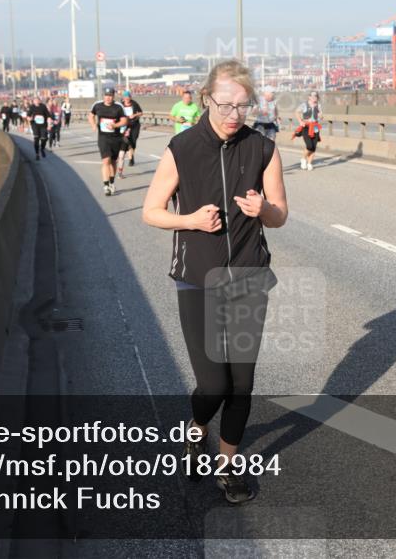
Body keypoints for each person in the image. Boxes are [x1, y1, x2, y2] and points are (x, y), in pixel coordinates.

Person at [142, 59, 288, 504]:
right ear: (206, 99)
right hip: (198, 280)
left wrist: (263, 210)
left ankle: (227, 465)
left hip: (248, 278)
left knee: (242, 384)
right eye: (225, 104)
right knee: (214, 386)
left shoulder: (263, 149)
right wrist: (189, 219)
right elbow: (151, 210)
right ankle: (196, 431)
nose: (233, 115)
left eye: (243, 106)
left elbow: (280, 215)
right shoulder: (181, 148)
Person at [89, 87, 129, 196]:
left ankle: (112, 182)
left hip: (116, 138)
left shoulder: (118, 107)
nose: (108, 98)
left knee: (113, 162)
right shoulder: (97, 105)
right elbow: (91, 115)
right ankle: (106, 185)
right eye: (106, 95)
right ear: (103, 96)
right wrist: (93, 125)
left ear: (113, 96)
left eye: (110, 96)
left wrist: (115, 125)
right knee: (106, 161)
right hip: (103, 138)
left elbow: (125, 120)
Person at [292, 91, 322, 171]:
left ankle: (309, 163)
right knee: (309, 145)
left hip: (315, 127)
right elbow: (297, 112)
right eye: (312, 96)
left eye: (316, 96)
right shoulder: (304, 105)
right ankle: (303, 159)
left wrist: (321, 116)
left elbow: (321, 115)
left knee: (314, 147)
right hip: (306, 126)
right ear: (309, 97)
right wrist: (300, 121)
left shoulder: (318, 105)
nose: (314, 97)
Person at [119, 90, 144, 167]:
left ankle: (131, 157)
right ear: (123, 98)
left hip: (134, 125)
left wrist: (135, 115)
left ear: (130, 97)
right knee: (127, 141)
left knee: (133, 142)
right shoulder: (121, 105)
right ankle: (130, 157)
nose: (127, 98)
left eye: (128, 97)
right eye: (125, 97)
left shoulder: (134, 104)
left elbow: (141, 112)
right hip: (124, 126)